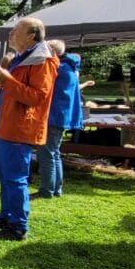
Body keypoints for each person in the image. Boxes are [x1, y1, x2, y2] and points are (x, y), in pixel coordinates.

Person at [0, 17, 58, 241]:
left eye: (16, 30)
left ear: (32, 35)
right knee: (6, 177)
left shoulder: (42, 61)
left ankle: (18, 226)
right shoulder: (23, 58)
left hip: (20, 129)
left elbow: (37, 97)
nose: (11, 33)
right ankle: (6, 216)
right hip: (6, 126)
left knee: (16, 179)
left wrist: (6, 79)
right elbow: (10, 90)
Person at [33, 40, 84, 200]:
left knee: (46, 153)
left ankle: (47, 190)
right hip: (61, 116)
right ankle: (56, 189)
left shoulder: (58, 69)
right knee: (54, 153)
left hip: (54, 116)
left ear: (53, 51)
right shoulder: (69, 67)